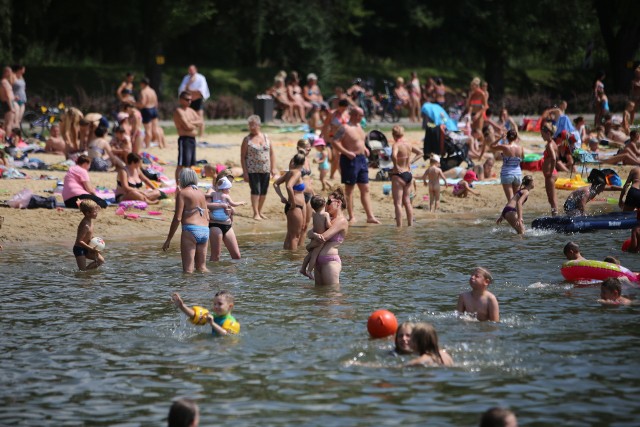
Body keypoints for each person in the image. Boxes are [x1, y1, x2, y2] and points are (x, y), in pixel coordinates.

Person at [331, 107, 380, 224]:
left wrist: (365, 149)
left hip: (362, 159)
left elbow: (359, 141)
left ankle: (370, 216)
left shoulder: (359, 126)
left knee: (365, 188)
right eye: (361, 115)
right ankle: (351, 216)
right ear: (354, 115)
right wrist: (346, 152)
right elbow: (334, 142)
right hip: (349, 160)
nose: (362, 118)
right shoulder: (344, 128)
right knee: (350, 189)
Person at [162, 169, 210, 273]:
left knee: (188, 271)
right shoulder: (201, 193)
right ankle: (209, 287)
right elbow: (207, 216)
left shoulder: (182, 193)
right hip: (205, 231)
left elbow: (178, 218)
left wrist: (169, 239)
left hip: (191, 231)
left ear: (182, 179)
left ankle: (187, 289)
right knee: (202, 268)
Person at [308, 187, 349, 286]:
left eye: (329, 202)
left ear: (338, 203)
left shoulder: (341, 221)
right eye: (326, 202)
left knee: (331, 295)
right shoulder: (326, 218)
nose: (326, 205)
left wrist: (308, 246)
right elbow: (310, 233)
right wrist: (312, 234)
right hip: (318, 262)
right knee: (319, 296)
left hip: (330, 262)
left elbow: (323, 238)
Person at [241, 115, 278, 220]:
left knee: (264, 191)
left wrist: (273, 167)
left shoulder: (266, 137)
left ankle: (260, 211)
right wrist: (245, 172)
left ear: (259, 125)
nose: (252, 127)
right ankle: (255, 212)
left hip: (265, 168)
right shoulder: (247, 139)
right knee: (255, 190)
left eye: (254, 125)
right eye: (250, 125)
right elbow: (243, 156)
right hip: (252, 169)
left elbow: (272, 154)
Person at [390, 125, 423, 226]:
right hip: (408, 174)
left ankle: (399, 227)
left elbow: (393, 156)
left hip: (398, 175)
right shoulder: (408, 144)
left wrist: (395, 166)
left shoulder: (396, 145)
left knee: (398, 203)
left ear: (393, 135)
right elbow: (420, 153)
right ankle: (410, 225)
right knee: (407, 202)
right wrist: (411, 162)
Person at [206, 177, 245, 261]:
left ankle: (233, 273)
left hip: (227, 225)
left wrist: (231, 210)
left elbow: (231, 206)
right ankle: (213, 273)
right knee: (216, 256)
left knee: (237, 256)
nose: (230, 190)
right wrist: (240, 203)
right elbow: (205, 204)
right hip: (215, 225)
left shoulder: (222, 195)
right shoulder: (212, 192)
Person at [274, 152, 307, 250]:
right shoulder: (297, 173)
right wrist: (292, 202)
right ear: (303, 162)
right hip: (295, 206)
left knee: (290, 234)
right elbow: (289, 186)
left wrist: (282, 197)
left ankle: (287, 257)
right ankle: (293, 260)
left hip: (295, 206)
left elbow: (276, 184)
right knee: (295, 236)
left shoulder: (289, 172)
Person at [171, 290, 240, 336]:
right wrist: (182, 307)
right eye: (214, 304)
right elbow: (196, 316)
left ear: (230, 306)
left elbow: (226, 335)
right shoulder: (214, 316)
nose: (216, 306)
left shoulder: (231, 321)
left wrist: (212, 323)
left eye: (220, 304)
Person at [173, 91, 203, 182]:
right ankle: (178, 185)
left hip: (192, 139)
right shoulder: (179, 111)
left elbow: (201, 121)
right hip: (184, 139)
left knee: (190, 165)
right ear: (181, 100)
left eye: (190, 100)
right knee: (181, 164)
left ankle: (188, 183)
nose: (189, 101)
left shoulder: (191, 111)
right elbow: (187, 126)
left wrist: (190, 122)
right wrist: (193, 125)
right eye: (187, 99)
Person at [299, 195, 331, 278]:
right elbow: (328, 225)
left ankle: (303, 269)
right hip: (320, 239)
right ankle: (309, 271)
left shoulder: (314, 214)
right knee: (314, 255)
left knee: (309, 254)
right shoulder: (325, 214)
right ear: (324, 204)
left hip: (314, 237)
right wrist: (332, 225)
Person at [490, 130, 524, 202]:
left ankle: (511, 213)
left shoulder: (505, 147)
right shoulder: (520, 148)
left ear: (507, 137)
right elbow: (523, 158)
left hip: (507, 173)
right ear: (516, 137)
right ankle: (517, 213)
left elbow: (492, 146)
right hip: (517, 173)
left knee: (510, 200)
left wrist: (500, 138)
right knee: (516, 199)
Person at [178, 65, 210, 137]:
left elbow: (200, 92)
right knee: (188, 117)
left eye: (192, 70)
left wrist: (189, 91)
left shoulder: (201, 78)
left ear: (196, 70)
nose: (191, 71)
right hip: (188, 101)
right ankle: (191, 132)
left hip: (197, 100)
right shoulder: (186, 78)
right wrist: (189, 84)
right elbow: (182, 90)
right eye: (189, 70)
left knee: (200, 117)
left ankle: (201, 134)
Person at [73, 199, 105, 271]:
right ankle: (85, 274)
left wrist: (96, 242)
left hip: (87, 247)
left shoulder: (90, 221)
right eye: (95, 212)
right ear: (87, 213)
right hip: (79, 249)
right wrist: (91, 249)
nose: (97, 213)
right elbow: (79, 241)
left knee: (101, 261)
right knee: (82, 271)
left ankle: (88, 274)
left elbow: (89, 236)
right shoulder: (85, 225)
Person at [321, 98, 349, 180]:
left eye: (345, 108)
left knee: (338, 158)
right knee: (338, 157)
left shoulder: (347, 113)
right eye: (342, 108)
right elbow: (325, 125)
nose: (343, 110)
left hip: (345, 137)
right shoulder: (332, 113)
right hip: (334, 137)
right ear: (339, 106)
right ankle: (341, 175)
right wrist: (325, 137)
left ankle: (333, 175)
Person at [137, 77, 163, 149]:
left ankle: (148, 145)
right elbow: (156, 102)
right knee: (155, 128)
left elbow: (143, 103)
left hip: (147, 110)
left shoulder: (143, 91)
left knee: (148, 130)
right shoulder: (152, 91)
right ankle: (160, 143)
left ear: (143, 84)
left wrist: (135, 104)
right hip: (154, 109)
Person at [541, 121, 559, 216]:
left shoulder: (549, 145)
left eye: (542, 134)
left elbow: (553, 158)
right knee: (552, 198)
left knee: (551, 198)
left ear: (548, 133)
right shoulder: (553, 143)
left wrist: (550, 171)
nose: (541, 136)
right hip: (552, 173)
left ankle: (555, 216)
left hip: (550, 175)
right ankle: (555, 215)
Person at [0, 66, 16, 131]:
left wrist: (14, 97)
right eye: (10, 72)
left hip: (7, 102)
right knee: (9, 123)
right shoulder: (4, 82)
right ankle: (7, 139)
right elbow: (7, 95)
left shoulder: (5, 81)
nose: (11, 74)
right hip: (8, 103)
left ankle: (4, 138)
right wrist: (11, 107)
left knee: (6, 123)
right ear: (6, 72)